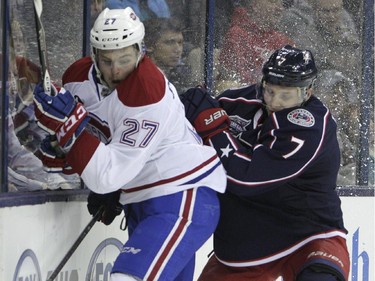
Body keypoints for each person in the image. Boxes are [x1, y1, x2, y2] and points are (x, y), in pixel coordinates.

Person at [32, 7, 226, 281]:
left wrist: (67, 126)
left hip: (180, 196)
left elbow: (106, 176)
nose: (116, 70)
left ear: (141, 50)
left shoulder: (147, 90)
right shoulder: (77, 76)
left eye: (124, 58)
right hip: (142, 201)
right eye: (107, 60)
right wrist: (60, 141)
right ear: (95, 54)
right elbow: (88, 145)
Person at [180, 45, 350, 280]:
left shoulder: (310, 124)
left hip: (309, 234)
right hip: (247, 240)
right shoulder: (237, 101)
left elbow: (246, 178)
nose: (275, 102)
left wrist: (213, 129)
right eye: (270, 91)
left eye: (286, 95)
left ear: (308, 91)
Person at [215, 0, 294, 93]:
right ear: (255, 3)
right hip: (248, 100)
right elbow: (230, 81)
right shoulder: (237, 35)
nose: (279, 8)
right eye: (272, 2)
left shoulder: (284, 41)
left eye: (281, 4)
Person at [143, 17, 191, 94]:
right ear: (149, 45)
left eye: (180, 43)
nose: (177, 49)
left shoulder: (178, 76)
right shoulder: (142, 80)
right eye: (170, 42)